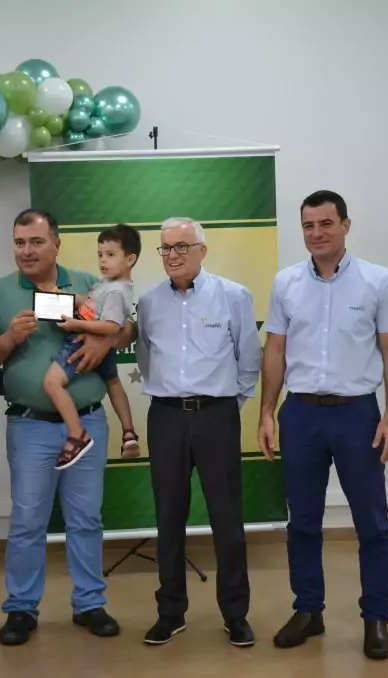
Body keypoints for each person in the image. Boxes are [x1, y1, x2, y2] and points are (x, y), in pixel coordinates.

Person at [257, 190, 388, 660]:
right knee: (301, 521)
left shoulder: (377, 282)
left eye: (326, 223)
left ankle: (376, 617)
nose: (316, 233)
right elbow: (275, 351)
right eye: (308, 226)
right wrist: (266, 411)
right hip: (300, 415)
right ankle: (308, 610)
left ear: (346, 225)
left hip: (357, 414)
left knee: (373, 524)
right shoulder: (286, 283)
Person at [0, 208, 135, 646]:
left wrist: (106, 338)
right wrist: (9, 338)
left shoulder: (90, 283)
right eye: (20, 243)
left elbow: (128, 328)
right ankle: (21, 609)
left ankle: (90, 604)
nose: (27, 251)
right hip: (29, 426)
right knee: (28, 520)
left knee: (86, 518)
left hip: (87, 422)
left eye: (36, 242)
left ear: (56, 244)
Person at [135, 217, 262, 647]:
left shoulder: (233, 295)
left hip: (217, 416)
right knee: (169, 518)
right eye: (165, 248)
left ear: (202, 251)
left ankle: (236, 613)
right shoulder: (149, 301)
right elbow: (146, 356)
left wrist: (228, 404)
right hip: (166, 417)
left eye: (181, 247)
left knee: (227, 518)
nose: (172, 255)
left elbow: (249, 359)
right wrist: (172, 396)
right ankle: (170, 612)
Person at [42, 224, 141, 470]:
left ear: (130, 259)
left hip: (80, 344)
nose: (103, 261)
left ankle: (77, 434)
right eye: (100, 254)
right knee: (113, 382)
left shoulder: (117, 291)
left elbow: (111, 327)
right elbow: (91, 302)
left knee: (51, 383)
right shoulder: (108, 284)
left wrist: (75, 322)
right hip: (90, 340)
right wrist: (63, 298)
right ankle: (129, 433)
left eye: (110, 254)